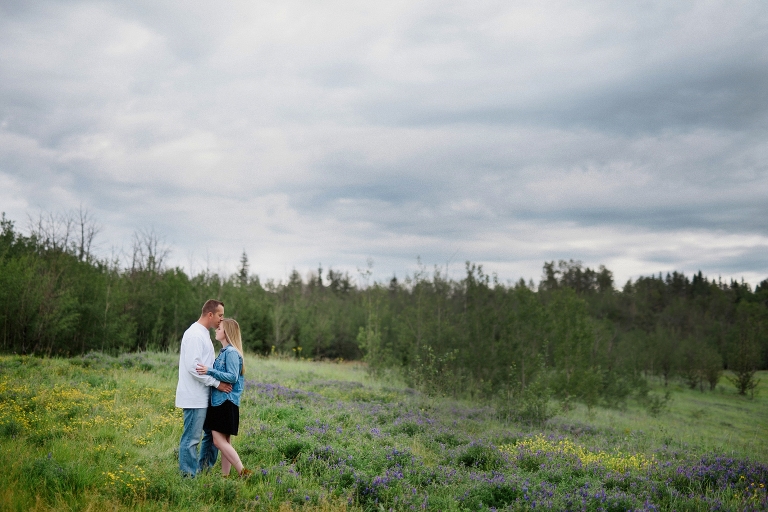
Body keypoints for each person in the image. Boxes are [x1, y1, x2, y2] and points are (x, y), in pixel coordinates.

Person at [175, 299, 232, 477]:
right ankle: (187, 477)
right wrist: (217, 384)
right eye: (220, 316)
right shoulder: (194, 334)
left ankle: (204, 471)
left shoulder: (204, 334)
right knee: (191, 439)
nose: (221, 320)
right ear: (210, 314)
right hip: (194, 397)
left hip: (205, 395)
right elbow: (194, 367)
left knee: (211, 436)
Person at [196, 318, 251, 478]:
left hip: (224, 402)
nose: (216, 330)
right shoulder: (226, 352)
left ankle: (243, 471)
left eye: (219, 328)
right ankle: (225, 476)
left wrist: (209, 371)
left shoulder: (232, 353)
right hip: (224, 401)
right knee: (225, 442)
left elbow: (232, 377)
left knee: (218, 441)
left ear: (226, 332)